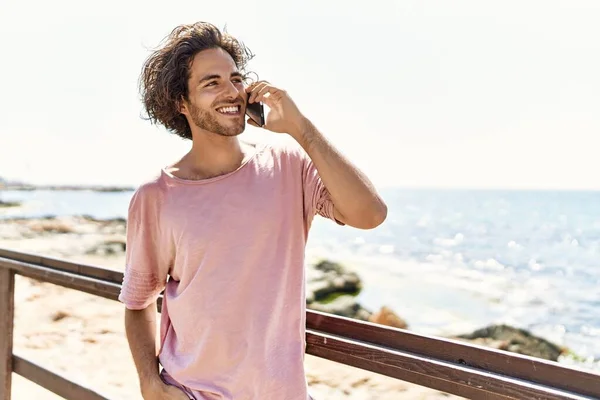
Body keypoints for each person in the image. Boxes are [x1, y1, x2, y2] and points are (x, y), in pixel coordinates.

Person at [118, 21, 387, 400]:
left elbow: (370, 214)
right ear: (180, 102)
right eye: (211, 82)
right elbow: (137, 302)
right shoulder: (157, 196)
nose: (232, 92)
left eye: (236, 78)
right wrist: (150, 383)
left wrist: (302, 129)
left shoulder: (288, 165)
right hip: (192, 392)